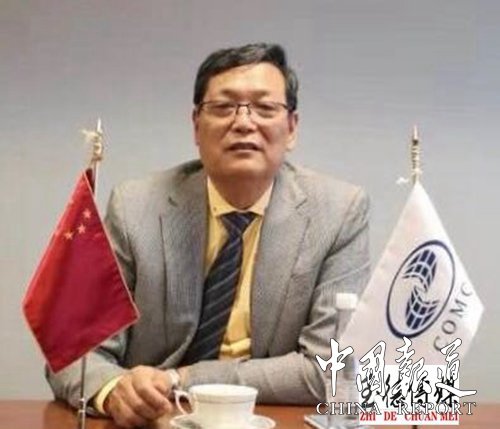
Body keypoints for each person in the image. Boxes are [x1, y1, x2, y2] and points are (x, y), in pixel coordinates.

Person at [47, 42, 370, 428]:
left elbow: (328, 368)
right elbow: (75, 351)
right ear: (196, 126)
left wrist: (180, 379)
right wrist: (116, 390)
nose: (244, 123)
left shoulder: (338, 212)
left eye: (264, 108)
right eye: (223, 107)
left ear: (291, 128)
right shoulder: (135, 208)